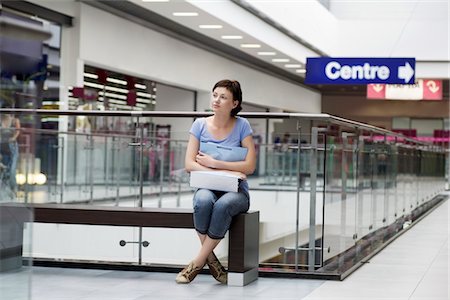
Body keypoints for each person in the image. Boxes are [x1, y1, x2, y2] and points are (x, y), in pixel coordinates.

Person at [177, 79, 256, 284]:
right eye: (215, 95)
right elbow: (188, 163)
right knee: (202, 200)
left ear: (235, 103)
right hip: (207, 187)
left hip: (237, 192)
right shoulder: (199, 125)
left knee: (223, 205)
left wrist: (215, 163)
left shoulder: (242, 125)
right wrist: (219, 170)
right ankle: (211, 261)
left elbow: (249, 166)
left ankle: (196, 263)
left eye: (223, 97)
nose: (217, 100)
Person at [0, 114, 20, 193]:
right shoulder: (1, 119)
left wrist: (13, 138)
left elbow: (18, 130)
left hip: (11, 145)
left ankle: (13, 189)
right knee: (3, 169)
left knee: (12, 170)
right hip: (2, 145)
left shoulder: (14, 120)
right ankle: (5, 190)